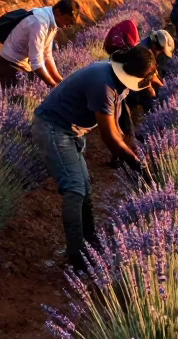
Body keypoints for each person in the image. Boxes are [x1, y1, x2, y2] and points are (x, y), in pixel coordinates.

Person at [33, 45, 157, 271]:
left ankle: (90, 242)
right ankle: (76, 254)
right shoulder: (104, 84)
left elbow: (120, 120)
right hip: (54, 128)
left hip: (73, 130)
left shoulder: (117, 79)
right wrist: (135, 162)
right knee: (74, 188)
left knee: (85, 187)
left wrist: (132, 143)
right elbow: (109, 137)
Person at [0, 0, 81, 89]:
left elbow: (46, 55)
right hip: (10, 65)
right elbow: (37, 63)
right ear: (58, 11)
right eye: (67, 21)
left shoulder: (51, 19)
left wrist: (61, 82)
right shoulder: (40, 24)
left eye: (69, 24)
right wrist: (55, 87)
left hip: (23, 65)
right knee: (19, 99)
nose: (65, 26)